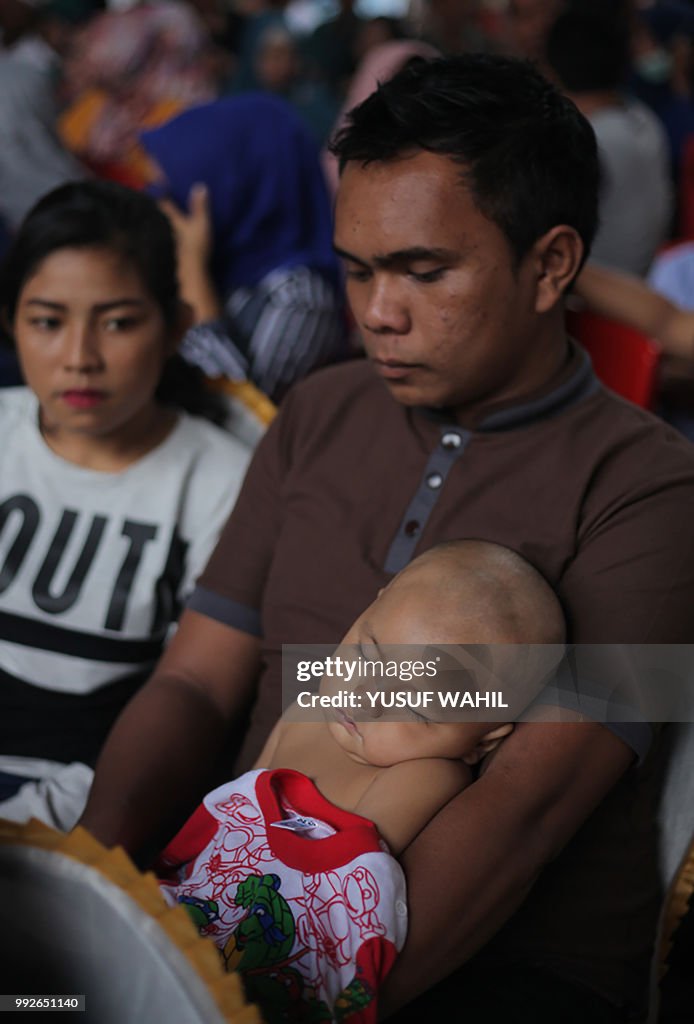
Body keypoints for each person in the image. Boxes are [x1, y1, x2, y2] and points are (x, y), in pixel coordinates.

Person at [81, 55, 694, 1023]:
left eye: (423, 270)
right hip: (230, 915)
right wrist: (97, 900)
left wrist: (295, 1007)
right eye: (358, 268)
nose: (375, 311)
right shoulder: (319, 410)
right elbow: (195, 680)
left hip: (484, 971)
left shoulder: (651, 491)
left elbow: (519, 816)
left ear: (550, 264)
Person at [157, 540, 565, 1023]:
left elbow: (340, 904)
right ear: (372, 603)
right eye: (368, 655)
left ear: (481, 741)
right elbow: (233, 817)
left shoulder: (427, 774)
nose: (366, 698)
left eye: (413, 705)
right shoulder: (306, 709)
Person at [0, 180, 253, 830]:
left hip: (91, 809)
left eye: (117, 322)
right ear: (12, 324)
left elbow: (192, 699)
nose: (80, 359)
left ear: (173, 328)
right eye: (48, 322)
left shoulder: (220, 482)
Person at [140, 94, 347, 403]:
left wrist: (191, 268)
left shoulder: (301, 299)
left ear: (233, 189)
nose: (161, 201)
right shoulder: (219, 262)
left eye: (173, 188)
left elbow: (239, 413)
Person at [546, 8, 672, 276]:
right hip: (644, 284)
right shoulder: (643, 119)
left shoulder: (583, 141)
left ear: (551, 69)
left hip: (600, 297)